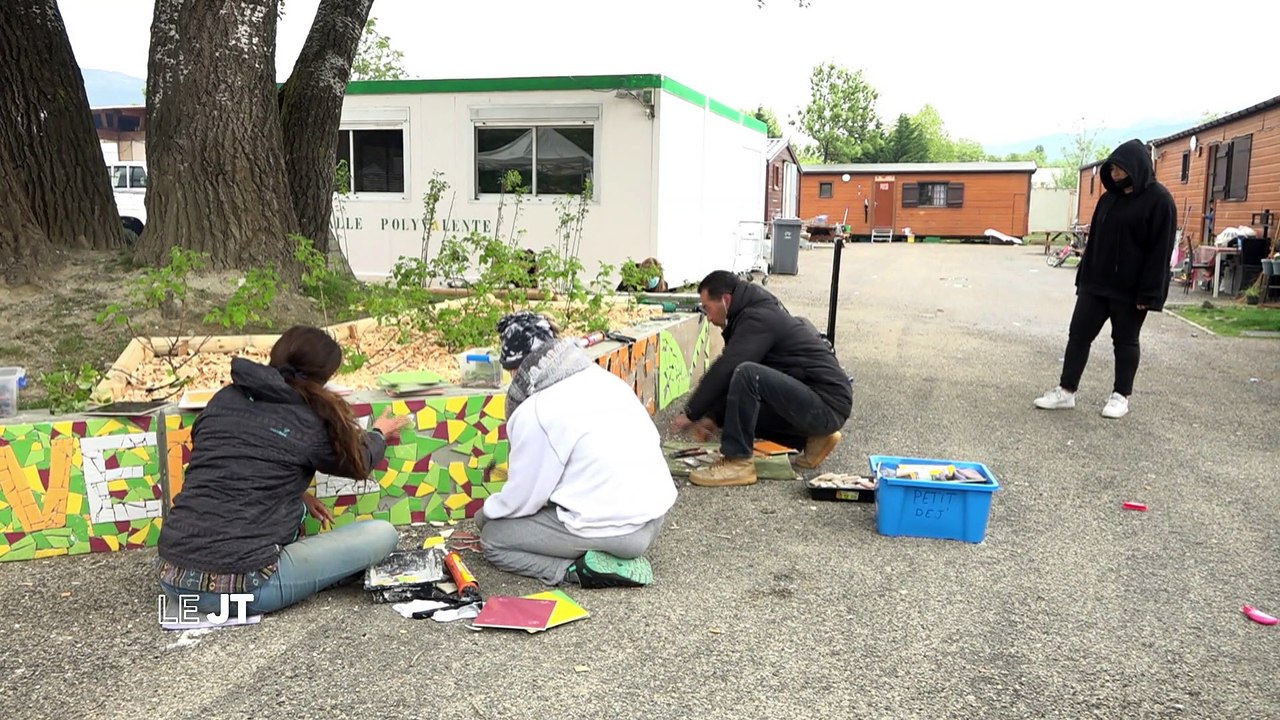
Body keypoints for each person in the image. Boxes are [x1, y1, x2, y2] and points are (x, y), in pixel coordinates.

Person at [156, 325, 411, 616]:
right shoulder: (308, 418)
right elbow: (360, 463)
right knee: (382, 534)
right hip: (243, 586)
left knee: (295, 514)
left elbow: (237, 461)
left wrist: (299, 493)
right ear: (324, 376)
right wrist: (379, 433)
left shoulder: (224, 398)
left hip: (172, 576)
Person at [475, 311, 676, 588]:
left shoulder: (536, 410)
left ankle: (576, 570)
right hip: (653, 518)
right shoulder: (601, 379)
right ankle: (600, 553)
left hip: (620, 532)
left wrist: (485, 515)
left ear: (515, 368)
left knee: (495, 538)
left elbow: (522, 500)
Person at [1034, 139, 1177, 419]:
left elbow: (1160, 251)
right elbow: (1096, 242)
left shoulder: (1159, 200)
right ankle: (1066, 391)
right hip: (1096, 284)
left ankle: (1120, 396)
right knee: (1078, 336)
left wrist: (1149, 293)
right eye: (1111, 168)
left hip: (1131, 289)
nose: (1114, 173)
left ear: (1136, 167)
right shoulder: (1108, 199)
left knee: (1124, 341)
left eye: (1120, 169)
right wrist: (1083, 277)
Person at [671, 271, 853, 487]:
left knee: (747, 373)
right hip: (819, 403)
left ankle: (737, 463)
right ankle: (814, 439)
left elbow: (729, 366)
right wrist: (713, 417)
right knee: (739, 405)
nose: (708, 318)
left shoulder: (758, 317)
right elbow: (736, 389)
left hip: (828, 404)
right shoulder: (753, 312)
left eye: (708, 308)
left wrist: (692, 412)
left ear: (725, 300)